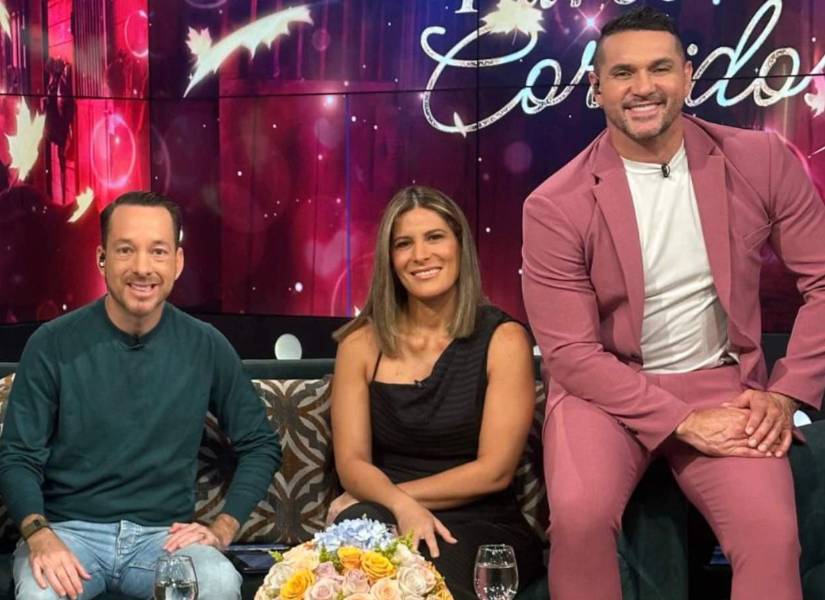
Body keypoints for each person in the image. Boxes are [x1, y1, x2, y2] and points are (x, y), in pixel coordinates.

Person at [521, 7, 825, 600]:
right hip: (605, 393)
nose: (643, 87)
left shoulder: (760, 161)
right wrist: (682, 421)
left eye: (659, 68)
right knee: (580, 520)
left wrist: (787, 393)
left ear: (688, 76)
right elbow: (571, 355)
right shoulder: (555, 204)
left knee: (770, 536)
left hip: (723, 383)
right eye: (623, 73)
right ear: (596, 87)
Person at [0, 191, 282, 600]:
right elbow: (17, 456)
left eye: (158, 251)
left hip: (162, 540)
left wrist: (223, 527)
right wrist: (39, 535)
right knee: (40, 593)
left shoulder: (205, 345)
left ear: (177, 262)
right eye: (125, 250)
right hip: (67, 534)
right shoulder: (52, 343)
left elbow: (261, 445)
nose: (142, 268)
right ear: (102, 259)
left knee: (219, 583)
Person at [328, 186, 544, 600]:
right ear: (389, 259)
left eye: (434, 237)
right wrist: (397, 506)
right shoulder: (360, 343)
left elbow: (494, 471)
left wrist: (402, 498)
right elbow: (352, 461)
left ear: (460, 246)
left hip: (480, 520)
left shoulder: (504, 340)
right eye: (403, 244)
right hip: (381, 510)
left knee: (421, 576)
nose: (420, 255)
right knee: (353, 556)